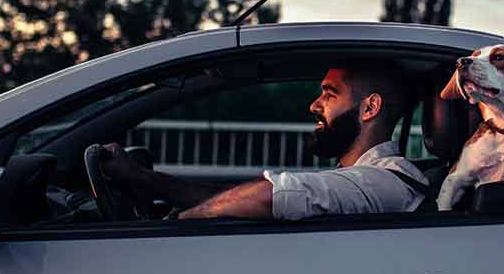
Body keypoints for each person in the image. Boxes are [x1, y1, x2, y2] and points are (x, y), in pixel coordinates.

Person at [101, 60, 429, 220]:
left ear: (370, 108)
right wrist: (143, 179)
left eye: (329, 94)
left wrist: (180, 222)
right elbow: (234, 197)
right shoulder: (360, 177)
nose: (314, 105)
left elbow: (274, 195)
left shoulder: (389, 180)